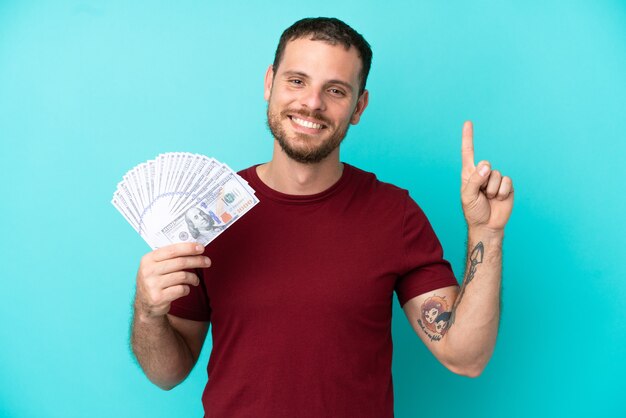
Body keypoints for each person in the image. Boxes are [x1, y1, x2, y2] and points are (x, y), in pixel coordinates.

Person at [130, 17, 514, 417]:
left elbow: (466, 357)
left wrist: (487, 232)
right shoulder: (211, 212)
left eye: (334, 90)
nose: (312, 103)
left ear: (358, 107)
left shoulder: (393, 213)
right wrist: (147, 311)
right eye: (297, 81)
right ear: (270, 83)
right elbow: (167, 374)